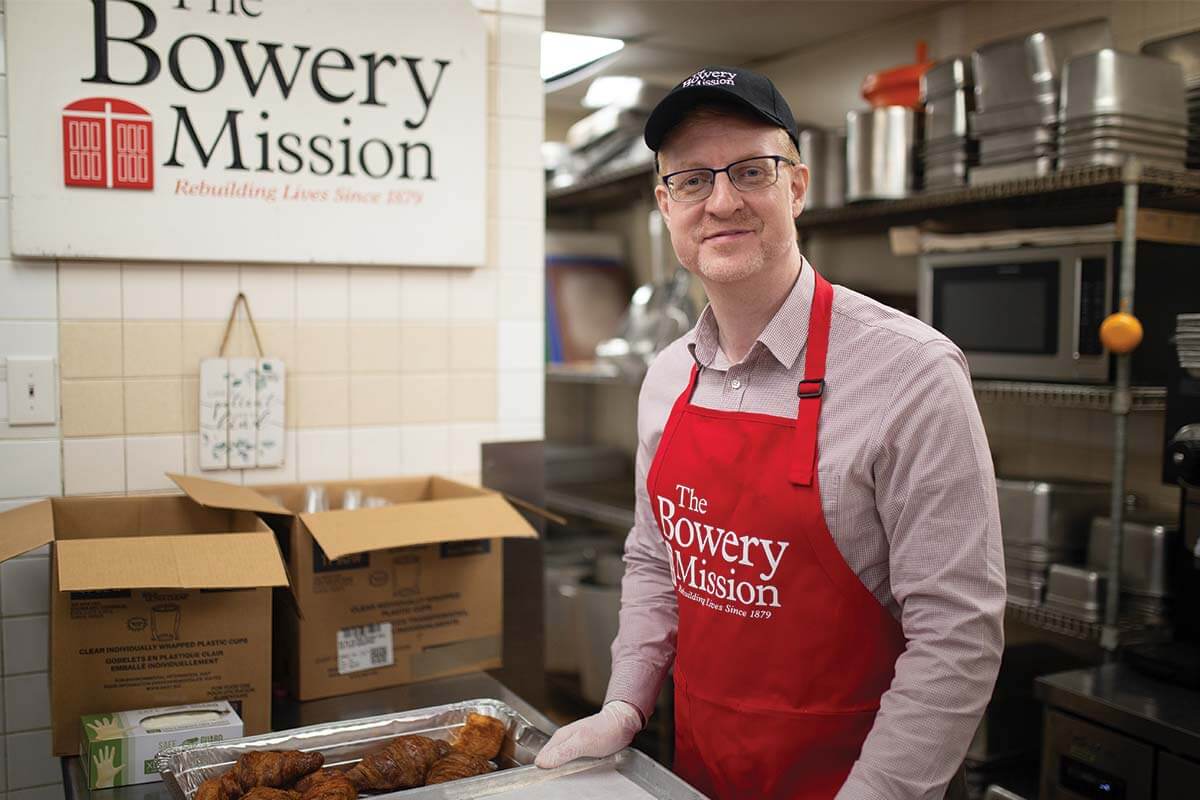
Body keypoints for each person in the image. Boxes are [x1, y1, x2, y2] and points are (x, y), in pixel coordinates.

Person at [534, 65, 1006, 800]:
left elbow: (958, 633)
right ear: (666, 204)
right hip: (707, 767)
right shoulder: (666, 378)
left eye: (750, 171)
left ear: (796, 187)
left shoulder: (912, 373)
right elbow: (656, 558)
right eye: (692, 180)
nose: (721, 201)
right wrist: (623, 706)